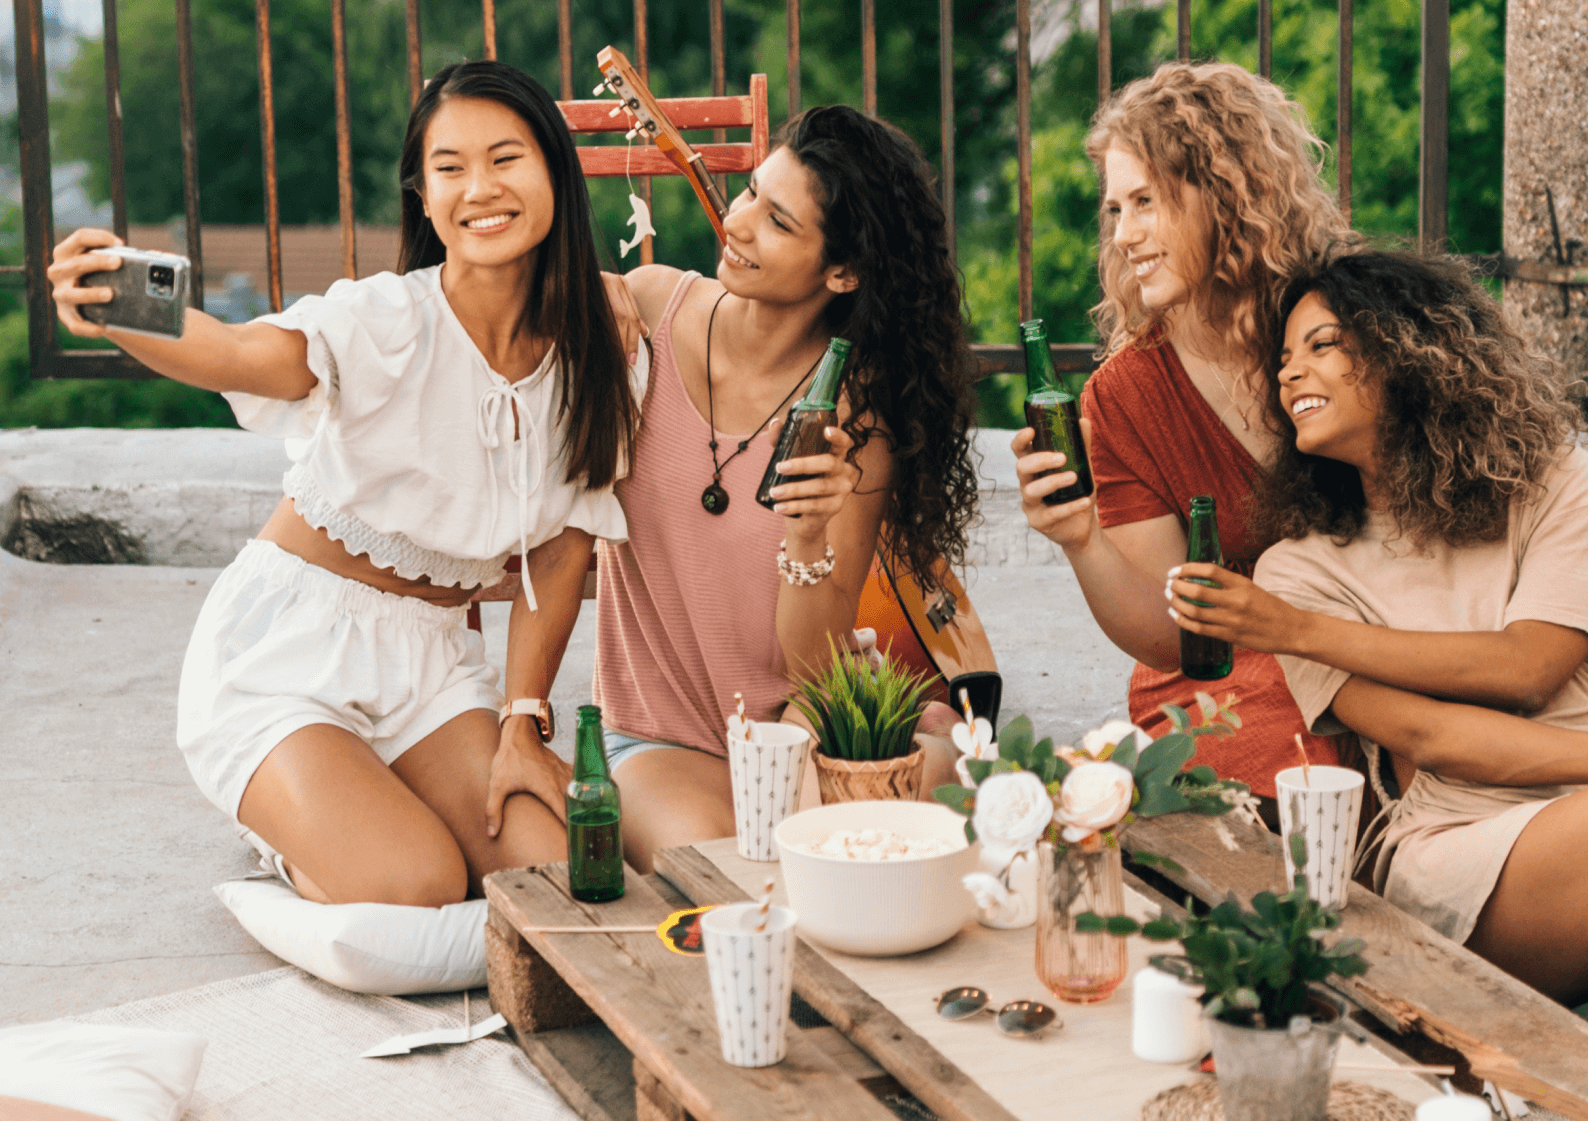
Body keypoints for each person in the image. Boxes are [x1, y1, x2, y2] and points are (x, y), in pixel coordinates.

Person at [1167, 249, 1588, 1120]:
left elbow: (1530, 665)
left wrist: (1298, 638)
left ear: (1403, 349)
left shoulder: (1550, 485)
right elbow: (1436, 740)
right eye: (1283, 360)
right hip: (1469, 867)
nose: (1291, 374)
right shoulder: (1293, 575)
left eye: (1320, 345)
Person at [47, 60, 644, 907]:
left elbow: (559, 550)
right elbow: (242, 355)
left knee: (546, 877)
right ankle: (286, 832)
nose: (481, 188)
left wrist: (520, 720)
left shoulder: (596, 356)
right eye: (450, 168)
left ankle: (351, 802)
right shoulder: (386, 319)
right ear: (424, 196)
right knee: (418, 882)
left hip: (432, 668)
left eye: (506, 159)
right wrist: (117, 307)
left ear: (554, 169)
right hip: (287, 654)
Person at [597, 105, 980, 872]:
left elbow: (812, 667)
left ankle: (929, 753)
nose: (736, 224)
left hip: (798, 723)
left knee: (832, 867)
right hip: (661, 733)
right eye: (747, 195)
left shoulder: (855, 413)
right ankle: (935, 754)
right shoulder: (643, 308)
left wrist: (808, 535)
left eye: (776, 221)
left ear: (841, 272)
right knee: (725, 874)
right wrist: (582, 289)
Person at [1012, 61, 1356, 800]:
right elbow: (1170, 636)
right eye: (1116, 209)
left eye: (1147, 203)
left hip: (1371, 642)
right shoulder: (1126, 395)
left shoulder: (1342, 324)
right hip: (1226, 672)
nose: (1126, 235)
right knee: (1305, 779)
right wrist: (1081, 540)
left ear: (1226, 196)